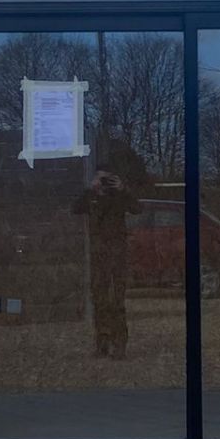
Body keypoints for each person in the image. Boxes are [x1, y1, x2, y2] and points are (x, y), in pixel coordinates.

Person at [71, 140, 145, 358]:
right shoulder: (92, 197)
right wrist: (90, 189)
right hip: (98, 255)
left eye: (107, 179)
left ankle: (119, 344)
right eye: (101, 178)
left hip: (117, 255)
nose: (104, 183)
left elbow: (137, 208)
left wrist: (123, 190)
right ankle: (102, 343)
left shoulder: (119, 197)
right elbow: (75, 209)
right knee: (99, 300)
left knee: (116, 301)